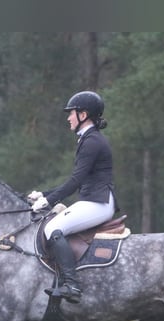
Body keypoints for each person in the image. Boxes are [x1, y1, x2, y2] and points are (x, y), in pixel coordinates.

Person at [29, 90, 117, 304]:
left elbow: (75, 182)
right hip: (93, 199)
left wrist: (49, 201)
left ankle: (72, 284)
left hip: (99, 202)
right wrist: (45, 194)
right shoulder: (87, 139)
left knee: (52, 229)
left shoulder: (92, 141)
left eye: (72, 113)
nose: (68, 118)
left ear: (83, 115)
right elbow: (75, 180)